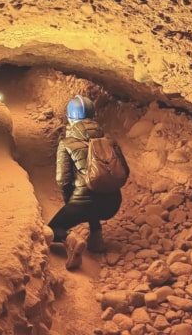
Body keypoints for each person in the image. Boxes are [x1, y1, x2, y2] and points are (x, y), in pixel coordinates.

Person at [45, 95, 129, 270]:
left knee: (51, 230)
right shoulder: (109, 141)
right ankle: (96, 238)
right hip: (113, 203)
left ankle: (71, 241)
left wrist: (69, 201)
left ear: (70, 118)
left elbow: (63, 179)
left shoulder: (67, 143)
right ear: (93, 117)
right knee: (94, 197)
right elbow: (125, 171)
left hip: (83, 205)